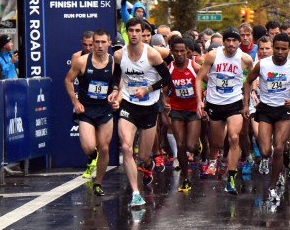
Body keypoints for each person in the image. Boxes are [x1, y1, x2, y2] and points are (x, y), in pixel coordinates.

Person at [108, 18, 173, 207]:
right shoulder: (120, 55)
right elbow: (116, 75)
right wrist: (114, 91)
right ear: (127, 33)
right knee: (127, 147)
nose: (135, 34)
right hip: (128, 105)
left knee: (144, 156)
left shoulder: (151, 54)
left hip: (150, 107)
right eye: (132, 31)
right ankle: (136, 193)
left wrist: (148, 89)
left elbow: (167, 79)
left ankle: (147, 164)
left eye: (138, 31)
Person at [244, 33, 290, 202]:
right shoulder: (262, 65)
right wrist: (246, 105)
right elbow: (248, 81)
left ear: (289, 49)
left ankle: (273, 185)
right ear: (273, 47)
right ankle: (279, 166)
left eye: (284, 49)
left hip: (283, 110)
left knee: (278, 148)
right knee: (265, 151)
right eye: (277, 48)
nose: (280, 52)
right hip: (266, 110)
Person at [198, 28, 253, 195]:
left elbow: (249, 81)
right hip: (215, 103)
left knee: (234, 137)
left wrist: (246, 103)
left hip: (234, 102)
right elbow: (199, 77)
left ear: (239, 42)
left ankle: (231, 176)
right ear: (224, 41)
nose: (231, 43)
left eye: (234, 40)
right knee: (217, 142)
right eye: (228, 40)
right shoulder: (214, 56)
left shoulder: (245, 59)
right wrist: (199, 102)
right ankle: (216, 156)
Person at [64, 29, 115, 196]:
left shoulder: (114, 62)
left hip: (105, 110)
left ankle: (98, 183)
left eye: (103, 42)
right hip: (86, 109)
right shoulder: (82, 61)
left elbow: (120, 84)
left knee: (105, 148)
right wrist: (75, 101)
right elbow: (68, 80)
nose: (99, 46)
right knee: (88, 147)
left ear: (109, 43)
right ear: (92, 44)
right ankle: (92, 157)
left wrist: (116, 95)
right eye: (96, 42)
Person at [164, 37, 203, 193]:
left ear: (188, 52)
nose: (179, 54)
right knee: (180, 145)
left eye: (182, 51)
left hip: (193, 109)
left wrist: (203, 100)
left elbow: (206, 81)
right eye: (176, 51)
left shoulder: (195, 67)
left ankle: (197, 146)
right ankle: (186, 178)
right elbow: (164, 88)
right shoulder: (169, 68)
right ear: (172, 52)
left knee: (190, 146)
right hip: (177, 109)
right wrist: (165, 100)